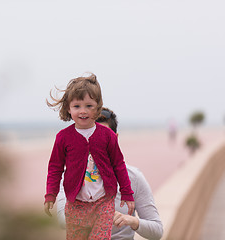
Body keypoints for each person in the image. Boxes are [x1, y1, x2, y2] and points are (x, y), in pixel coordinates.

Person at [44, 73, 134, 240]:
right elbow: (55, 167)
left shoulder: (108, 135)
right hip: (75, 204)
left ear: (98, 107)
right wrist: (51, 193)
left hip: (103, 203)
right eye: (77, 106)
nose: (83, 111)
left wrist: (127, 193)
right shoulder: (63, 137)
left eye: (89, 105)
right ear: (68, 109)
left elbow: (119, 164)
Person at [57, 108, 163, 240]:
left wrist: (131, 221)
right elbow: (62, 221)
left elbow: (157, 231)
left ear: (115, 139)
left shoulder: (133, 177)